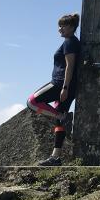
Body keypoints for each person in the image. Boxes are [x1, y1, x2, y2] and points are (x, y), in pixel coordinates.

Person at [26, 13, 82, 166]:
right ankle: (55, 157)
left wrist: (64, 87)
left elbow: (70, 66)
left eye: (62, 26)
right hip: (65, 86)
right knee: (58, 121)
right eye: (59, 26)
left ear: (71, 27)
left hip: (60, 84)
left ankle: (63, 117)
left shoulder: (70, 42)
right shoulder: (71, 42)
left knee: (32, 102)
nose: (59, 29)